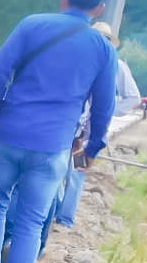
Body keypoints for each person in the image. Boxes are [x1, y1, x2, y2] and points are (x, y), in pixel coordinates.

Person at [0, 0, 116, 263]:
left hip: (8, 133)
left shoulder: (32, 24)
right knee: (31, 222)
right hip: (53, 146)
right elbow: (104, 106)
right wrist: (92, 146)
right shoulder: (102, 48)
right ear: (100, 9)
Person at [52, 21, 139, 227]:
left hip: (90, 129)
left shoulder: (117, 65)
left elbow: (133, 98)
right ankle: (54, 213)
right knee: (55, 167)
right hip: (70, 122)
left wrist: (104, 111)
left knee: (77, 171)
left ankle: (64, 219)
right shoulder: (78, 59)